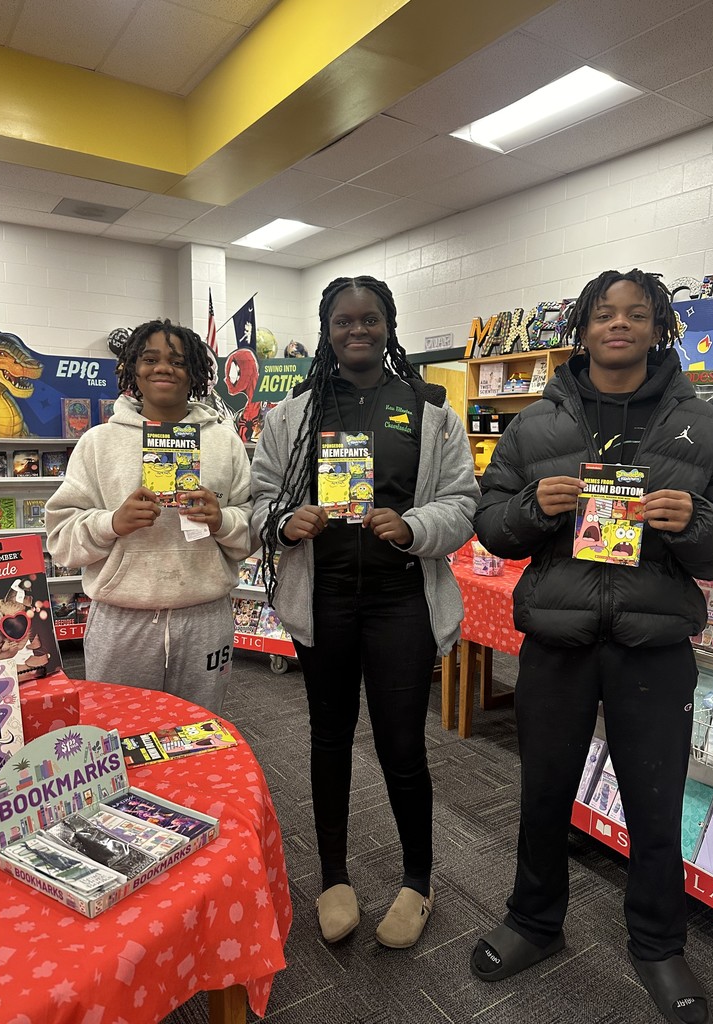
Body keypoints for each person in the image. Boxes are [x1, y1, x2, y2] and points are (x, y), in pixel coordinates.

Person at [471, 268, 713, 1024]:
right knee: (543, 790)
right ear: (583, 329)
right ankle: (534, 921)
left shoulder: (707, 428)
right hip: (559, 639)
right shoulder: (536, 425)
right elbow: (490, 524)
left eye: (634, 314)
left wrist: (693, 520)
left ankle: (658, 944)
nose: (616, 325)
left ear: (660, 328)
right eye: (602, 314)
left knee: (656, 802)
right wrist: (530, 507)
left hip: (653, 644)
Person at [250, 275, 478, 948]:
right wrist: (287, 520)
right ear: (326, 329)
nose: (357, 330)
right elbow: (258, 497)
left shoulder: (429, 407)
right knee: (327, 740)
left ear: (388, 325)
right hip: (323, 604)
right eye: (344, 320)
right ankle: (333, 877)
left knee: (402, 747)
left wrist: (412, 526)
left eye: (370, 319)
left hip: (400, 601)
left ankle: (418, 879)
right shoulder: (291, 412)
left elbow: (463, 502)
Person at [45, 319, 252, 714]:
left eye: (177, 360)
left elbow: (252, 526)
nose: (163, 368)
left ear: (194, 371)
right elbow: (60, 539)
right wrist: (111, 523)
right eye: (150, 358)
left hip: (205, 615)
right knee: (119, 730)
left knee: (202, 729)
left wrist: (221, 520)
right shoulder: (98, 442)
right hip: (122, 620)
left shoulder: (224, 441)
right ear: (132, 369)